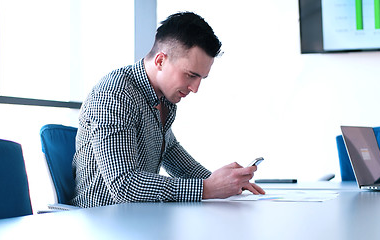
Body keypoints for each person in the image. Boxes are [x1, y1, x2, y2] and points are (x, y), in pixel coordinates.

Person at [72, 12, 265, 208]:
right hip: (102, 220)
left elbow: (172, 153)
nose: (195, 88)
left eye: (201, 79)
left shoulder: (164, 99)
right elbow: (124, 185)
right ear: (160, 61)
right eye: (191, 75)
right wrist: (207, 188)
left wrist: (225, 183)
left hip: (140, 218)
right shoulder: (114, 94)